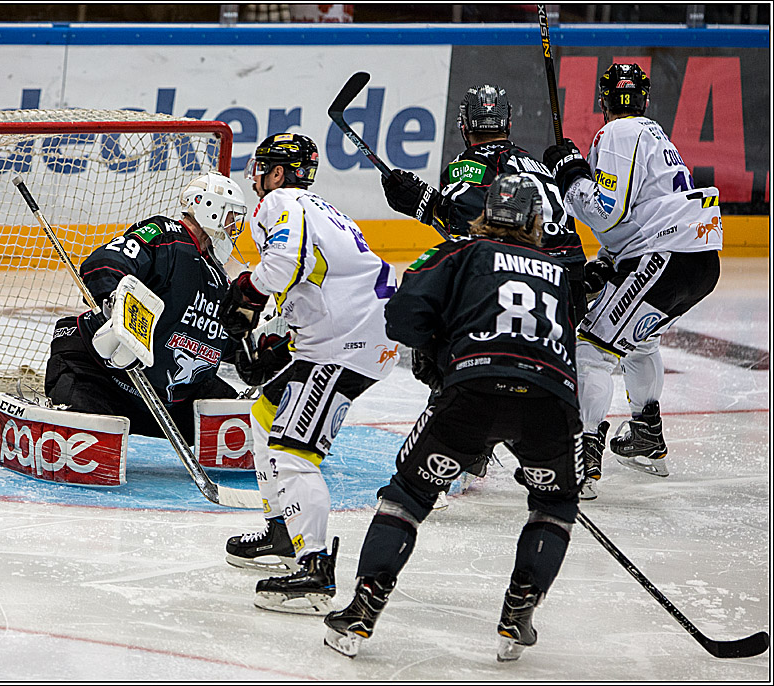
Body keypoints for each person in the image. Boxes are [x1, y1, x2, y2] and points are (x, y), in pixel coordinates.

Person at [323, 173, 581, 662]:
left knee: (411, 493)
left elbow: (401, 315)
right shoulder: (560, 272)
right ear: (534, 221)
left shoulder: (460, 251)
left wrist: (440, 350)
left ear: (487, 213)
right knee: (554, 504)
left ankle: (362, 611)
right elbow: (565, 343)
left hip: (472, 393)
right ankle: (517, 613)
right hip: (550, 403)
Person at [218, 132, 400, 614]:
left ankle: (315, 568)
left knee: (292, 451)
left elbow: (283, 263)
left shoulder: (283, 200)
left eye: (263, 168)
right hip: (342, 336)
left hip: (346, 345)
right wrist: (276, 334)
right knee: (264, 414)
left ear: (279, 172)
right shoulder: (317, 208)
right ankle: (283, 528)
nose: (256, 178)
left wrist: (245, 297)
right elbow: (309, 280)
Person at [379, 83, 587, 491]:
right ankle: (564, 451)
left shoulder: (466, 165)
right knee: (541, 359)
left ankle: (461, 445)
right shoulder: (532, 162)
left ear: (464, 127)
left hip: (515, 274)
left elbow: (476, 235)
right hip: (568, 279)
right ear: (508, 122)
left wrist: (423, 203)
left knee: (457, 347)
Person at [542, 63, 722, 494]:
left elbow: (606, 212)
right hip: (698, 260)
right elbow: (636, 219)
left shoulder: (618, 133)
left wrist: (570, 175)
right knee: (640, 341)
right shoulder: (657, 136)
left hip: (665, 254)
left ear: (603, 101)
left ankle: (580, 462)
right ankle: (646, 437)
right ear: (644, 98)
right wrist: (608, 261)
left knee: (592, 348)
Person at [44, 171, 285, 444]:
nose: (234, 227)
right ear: (210, 208)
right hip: (101, 378)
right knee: (83, 451)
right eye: (231, 216)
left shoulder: (220, 280)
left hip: (164, 400)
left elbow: (221, 342)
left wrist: (258, 350)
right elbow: (104, 264)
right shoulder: (166, 237)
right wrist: (118, 316)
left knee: (255, 433)